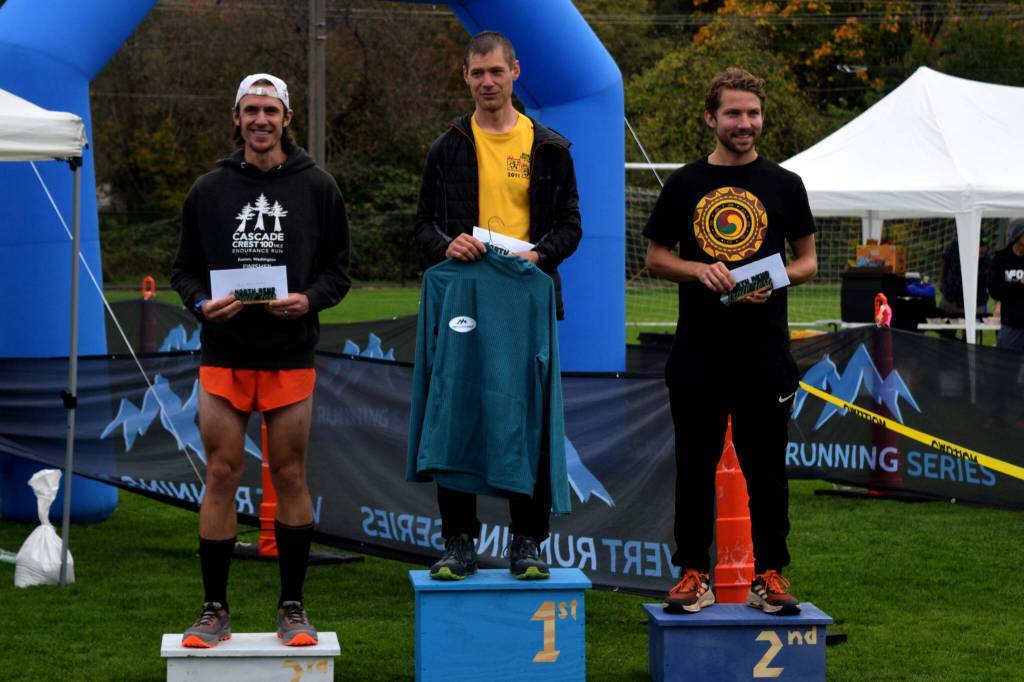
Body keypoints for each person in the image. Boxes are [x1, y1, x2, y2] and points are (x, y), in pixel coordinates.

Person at [171, 73, 350, 647]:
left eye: (270, 110)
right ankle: (213, 609)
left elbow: (339, 272)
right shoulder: (208, 189)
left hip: (289, 354)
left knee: (292, 474)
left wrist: (309, 300)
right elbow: (184, 270)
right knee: (222, 473)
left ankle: (292, 607)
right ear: (236, 116)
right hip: (224, 352)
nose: (260, 120)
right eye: (251, 110)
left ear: (287, 118)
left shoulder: (318, 186)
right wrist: (201, 303)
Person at [644, 68, 817, 615]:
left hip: (765, 354)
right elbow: (655, 258)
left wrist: (770, 280)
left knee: (767, 469)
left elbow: (809, 261)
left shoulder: (786, 185)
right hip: (698, 353)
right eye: (733, 114)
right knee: (693, 467)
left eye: (752, 114)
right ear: (710, 118)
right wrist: (700, 271)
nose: (744, 124)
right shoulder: (684, 184)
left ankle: (771, 575)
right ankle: (693, 574)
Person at [410, 31, 582, 580]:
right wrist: (446, 244)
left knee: (526, 417)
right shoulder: (448, 145)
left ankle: (526, 544)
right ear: (465, 77)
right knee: (458, 411)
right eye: (477, 73)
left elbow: (571, 227)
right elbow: (421, 228)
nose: (487, 82)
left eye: (496, 72)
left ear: (515, 72)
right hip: (465, 297)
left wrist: (541, 254)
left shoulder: (550, 146)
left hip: (524, 299)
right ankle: (459, 543)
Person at [988, 218, 1024, 351]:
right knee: (1006, 368)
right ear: (1017, 234)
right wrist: (1019, 284)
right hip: (1011, 326)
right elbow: (994, 291)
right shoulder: (1001, 259)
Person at [939, 235, 991, 318]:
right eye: (980, 246)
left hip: (976, 302)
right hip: (951, 297)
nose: (983, 249)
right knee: (944, 328)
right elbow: (945, 259)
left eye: (985, 246)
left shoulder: (988, 260)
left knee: (972, 330)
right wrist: (942, 281)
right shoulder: (956, 244)